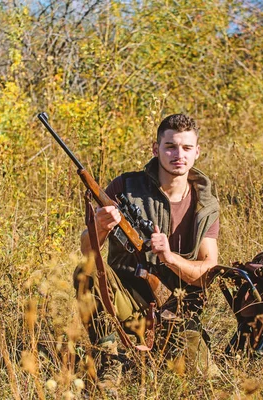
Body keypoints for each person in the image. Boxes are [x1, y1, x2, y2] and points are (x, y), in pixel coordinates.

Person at [76, 114, 220, 386]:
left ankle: (152, 349)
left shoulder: (205, 203)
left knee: (200, 376)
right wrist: (100, 225)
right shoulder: (125, 187)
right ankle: (110, 358)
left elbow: (207, 271)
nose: (179, 155)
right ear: (156, 149)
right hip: (125, 299)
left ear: (197, 151)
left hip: (175, 307)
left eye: (187, 148)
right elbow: (87, 251)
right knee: (86, 272)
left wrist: (169, 258)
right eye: (170, 147)